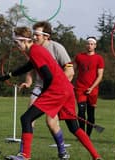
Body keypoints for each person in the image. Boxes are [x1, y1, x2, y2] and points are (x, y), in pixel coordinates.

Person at [0, 26, 102, 160]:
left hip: (56, 89)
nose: (16, 46)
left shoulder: (35, 51)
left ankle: (24, 155)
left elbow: (48, 76)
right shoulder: (34, 50)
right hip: (66, 89)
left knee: (26, 118)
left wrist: (44, 94)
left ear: (26, 41)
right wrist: (8, 75)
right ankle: (97, 157)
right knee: (74, 127)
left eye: (17, 43)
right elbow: (29, 66)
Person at [18, 21, 74, 159]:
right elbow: (31, 68)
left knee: (51, 122)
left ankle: (62, 152)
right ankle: (23, 153)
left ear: (46, 36)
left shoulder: (57, 48)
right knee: (28, 119)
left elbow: (70, 70)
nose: (34, 37)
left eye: (36, 34)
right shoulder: (33, 49)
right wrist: (28, 82)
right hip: (39, 88)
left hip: (54, 91)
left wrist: (58, 90)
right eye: (33, 34)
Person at [74, 37, 104, 137]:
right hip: (80, 88)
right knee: (81, 112)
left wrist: (91, 87)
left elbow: (100, 76)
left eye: (92, 44)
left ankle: (88, 135)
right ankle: (82, 135)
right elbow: (72, 70)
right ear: (85, 45)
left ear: (95, 46)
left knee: (91, 114)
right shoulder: (79, 57)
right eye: (88, 44)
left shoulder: (99, 58)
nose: (89, 46)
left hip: (93, 90)